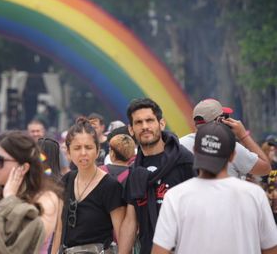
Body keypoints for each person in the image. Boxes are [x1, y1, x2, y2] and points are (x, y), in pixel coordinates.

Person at [152, 121, 277, 254]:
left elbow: (160, 251)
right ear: (233, 155)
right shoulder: (255, 195)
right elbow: (271, 249)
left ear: (195, 151)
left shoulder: (175, 197)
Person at [117, 98, 194, 254]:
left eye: (150, 120)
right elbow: (131, 221)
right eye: (138, 122)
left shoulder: (185, 161)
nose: (145, 126)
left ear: (161, 124)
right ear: (131, 130)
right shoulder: (135, 171)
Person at [53, 118, 125, 254]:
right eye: (77, 148)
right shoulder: (66, 180)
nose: (83, 153)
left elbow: (121, 233)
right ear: (68, 152)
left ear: (98, 150)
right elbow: (59, 228)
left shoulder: (110, 185)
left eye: (88, 147)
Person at [180, 98, 271, 178]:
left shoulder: (180, 144)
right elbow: (265, 168)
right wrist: (243, 135)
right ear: (220, 120)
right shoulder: (230, 146)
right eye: (225, 117)